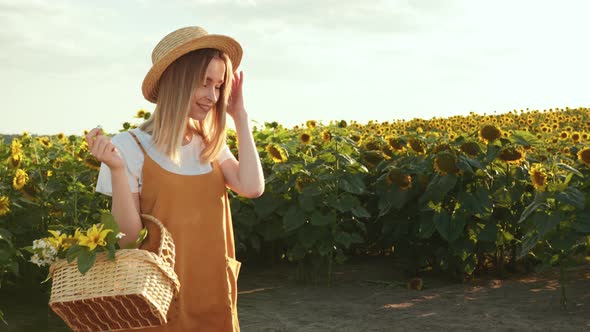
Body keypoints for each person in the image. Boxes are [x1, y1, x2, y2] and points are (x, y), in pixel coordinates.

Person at [85, 26, 264, 331]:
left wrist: (240, 116)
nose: (213, 95)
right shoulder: (129, 147)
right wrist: (116, 170)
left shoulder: (208, 143)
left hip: (214, 295)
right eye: (204, 83)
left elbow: (252, 187)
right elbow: (127, 238)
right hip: (159, 300)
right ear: (177, 81)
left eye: (219, 86)